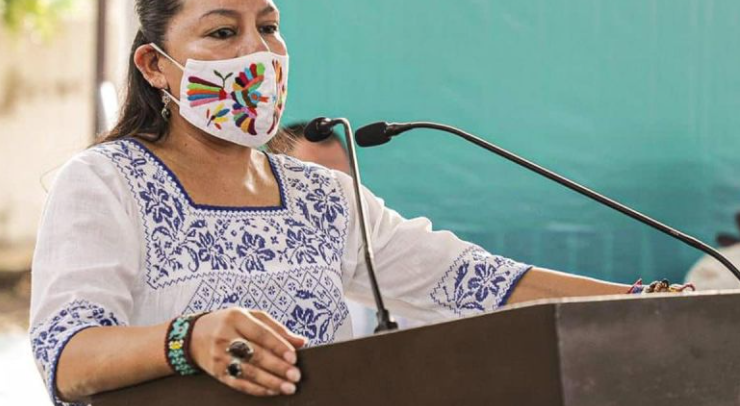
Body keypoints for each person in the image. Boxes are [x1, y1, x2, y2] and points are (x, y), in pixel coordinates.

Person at [27, 1, 681, 405]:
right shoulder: (106, 182)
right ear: (154, 65)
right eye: (223, 32)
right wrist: (189, 340)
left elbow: (468, 280)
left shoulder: (321, 196)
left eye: (269, 27)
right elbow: (67, 356)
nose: (257, 52)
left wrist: (642, 303)